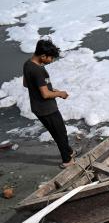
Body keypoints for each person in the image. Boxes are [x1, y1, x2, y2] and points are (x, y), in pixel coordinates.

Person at [23, 39, 76, 168]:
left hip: (37, 107)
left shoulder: (27, 64)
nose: (51, 60)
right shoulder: (38, 71)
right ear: (43, 56)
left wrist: (49, 89)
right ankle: (67, 161)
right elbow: (45, 95)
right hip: (47, 109)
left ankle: (69, 152)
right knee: (60, 133)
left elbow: (25, 83)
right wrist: (60, 93)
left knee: (57, 132)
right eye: (51, 58)